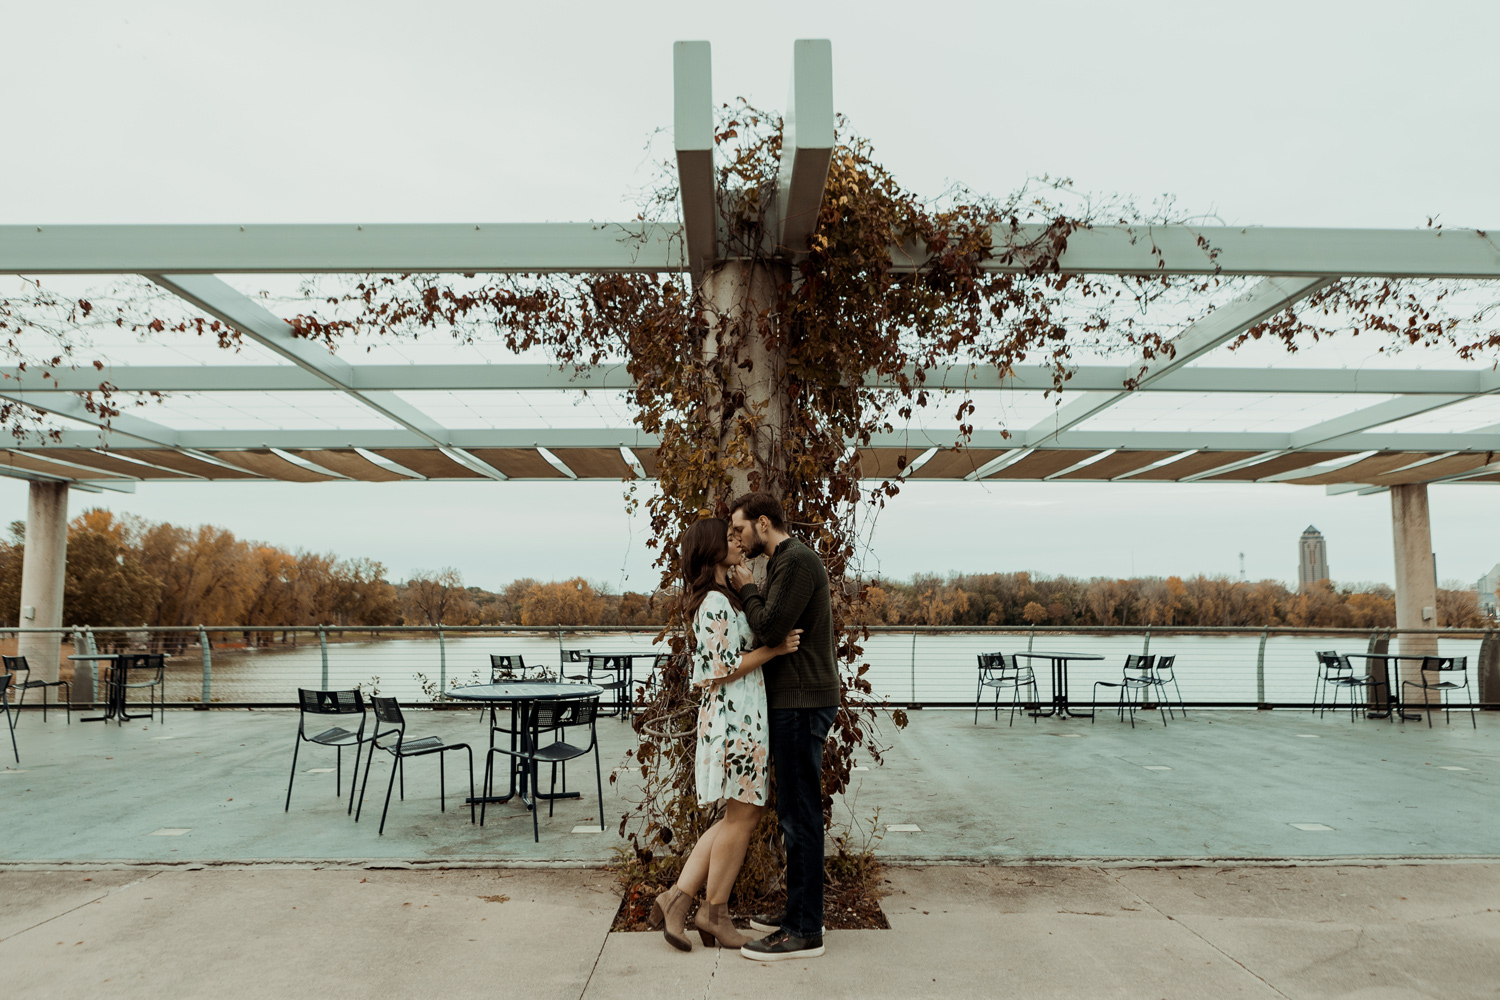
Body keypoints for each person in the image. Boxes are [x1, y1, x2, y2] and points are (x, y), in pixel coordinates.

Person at [649, 517, 802, 952]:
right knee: (743, 815)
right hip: (736, 720)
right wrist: (773, 649)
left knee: (738, 815)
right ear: (711, 550)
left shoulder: (724, 597)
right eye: (730, 538)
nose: (737, 542)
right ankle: (712, 912)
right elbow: (720, 669)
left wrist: (749, 587)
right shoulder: (715, 603)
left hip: (743, 717)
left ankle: (679, 899)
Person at [728, 491, 838, 962]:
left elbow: (769, 630)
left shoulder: (794, 561)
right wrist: (757, 596)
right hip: (793, 703)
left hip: (800, 703)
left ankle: (804, 930)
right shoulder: (783, 564)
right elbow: (769, 630)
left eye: (740, 528)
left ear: (764, 523)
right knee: (795, 813)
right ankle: (798, 914)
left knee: (800, 817)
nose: (736, 536)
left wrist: (749, 589)